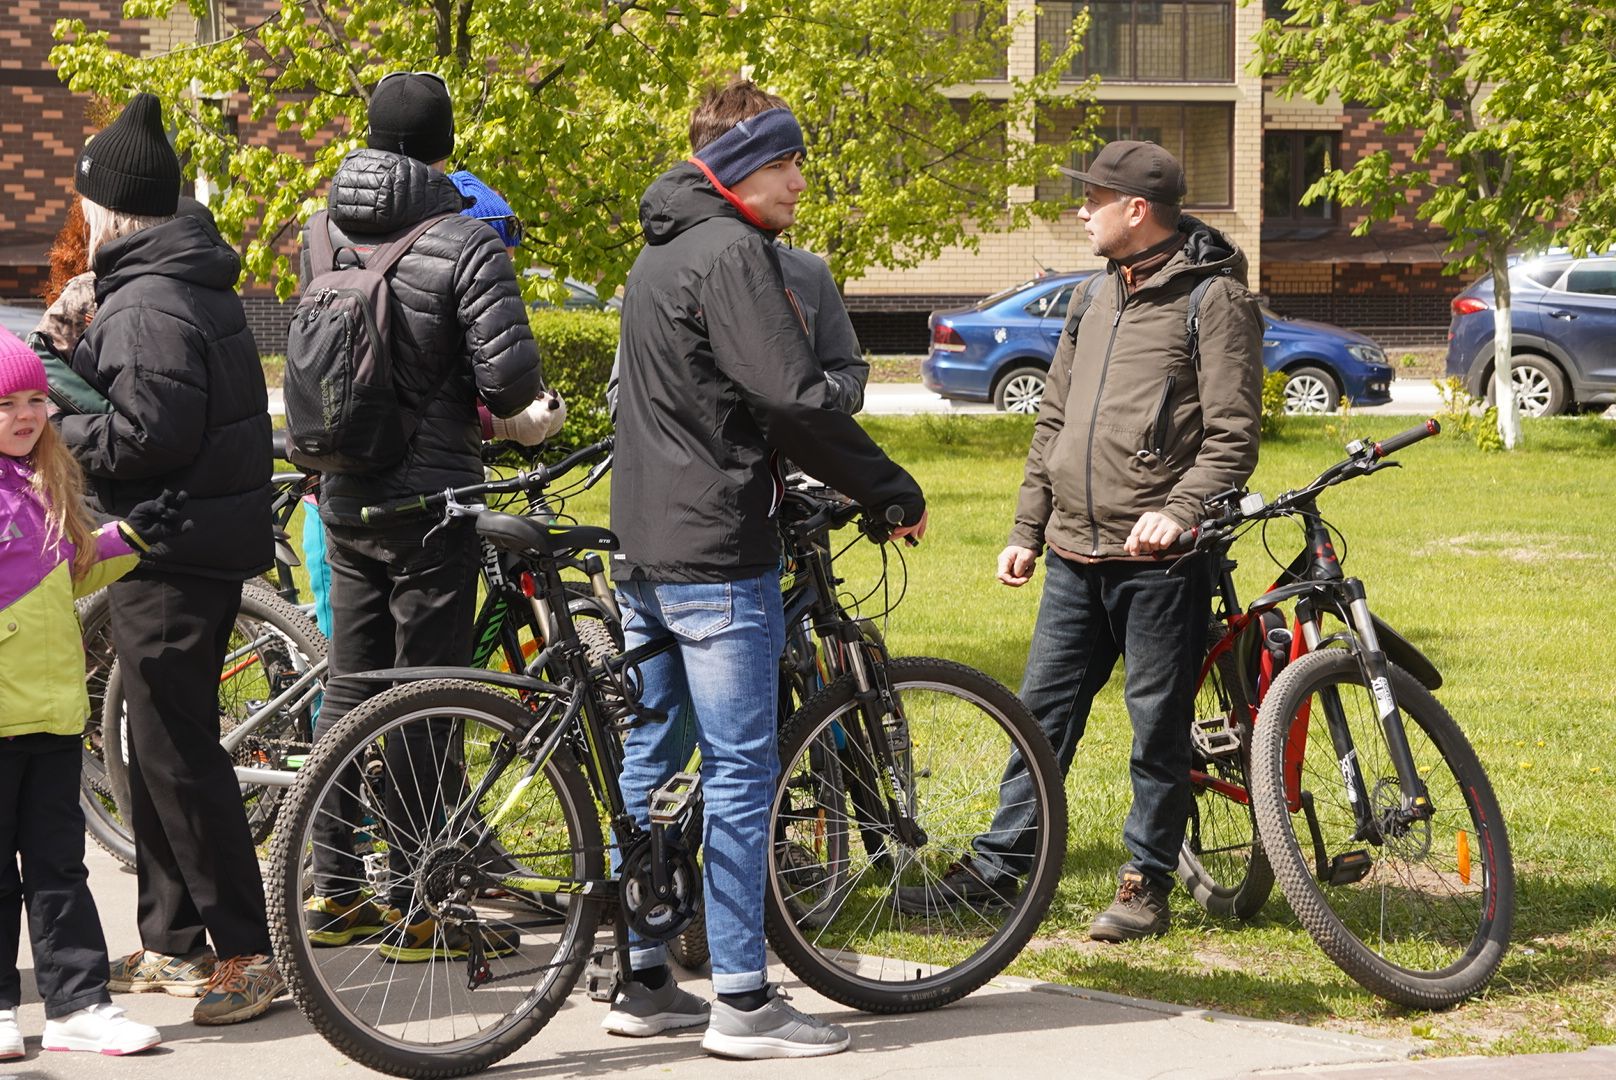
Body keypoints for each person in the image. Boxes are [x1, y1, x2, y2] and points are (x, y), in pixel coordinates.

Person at [607, 79, 927, 1060]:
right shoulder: (733, 253)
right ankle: (743, 1003)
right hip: (715, 552)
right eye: (787, 161)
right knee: (742, 771)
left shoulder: (658, 251)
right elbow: (791, 399)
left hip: (644, 548)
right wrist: (890, 489)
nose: (799, 181)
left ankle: (643, 978)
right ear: (742, 164)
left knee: (651, 758)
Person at [895, 140, 1263, 941]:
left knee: (1156, 725)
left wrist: (1182, 509)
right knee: (1040, 716)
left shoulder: (1215, 301)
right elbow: (1053, 420)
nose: (1080, 212)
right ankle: (1003, 865)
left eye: (1093, 200)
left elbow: (1233, 437)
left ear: (1137, 209)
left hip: (1159, 558)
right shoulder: (1093, 295)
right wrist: (1027, 526)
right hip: (1071, 549)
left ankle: (1146, 881)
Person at [300, 73, 545, 959]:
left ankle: (333, 889)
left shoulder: (320, 230)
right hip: (432, 503)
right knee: (426, 699)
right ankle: (417, 903)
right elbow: (509, 385)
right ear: (445, 146)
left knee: (351, 685)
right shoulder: (465, 239)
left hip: (343, 490)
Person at [57, 93, 283, 1024]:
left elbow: (147, 434)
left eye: (86, 202)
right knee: (149, 746)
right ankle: (174, 939)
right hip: (185, 540)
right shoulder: (179, 278)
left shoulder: (148, 301)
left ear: (110, 208)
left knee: (179, 754)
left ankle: (247, 953)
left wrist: (59, 424)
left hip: (171, 546)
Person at [0, 329, 186, 1058]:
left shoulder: (39, 481)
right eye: (5, 404)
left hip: (51, 712)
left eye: (34, 399)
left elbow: (67, 573)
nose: (25, 415)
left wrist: (128, 539)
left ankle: (78, 1005)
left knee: (58, 866)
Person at [293, 169, 563, 637]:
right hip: (372, 499)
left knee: (363, 666)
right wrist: (505, 423)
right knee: (359, 654)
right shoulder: (436, 274)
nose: (506, 272)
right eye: (502, 258)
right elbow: (410, 389)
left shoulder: (379, 262)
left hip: (360, 497)